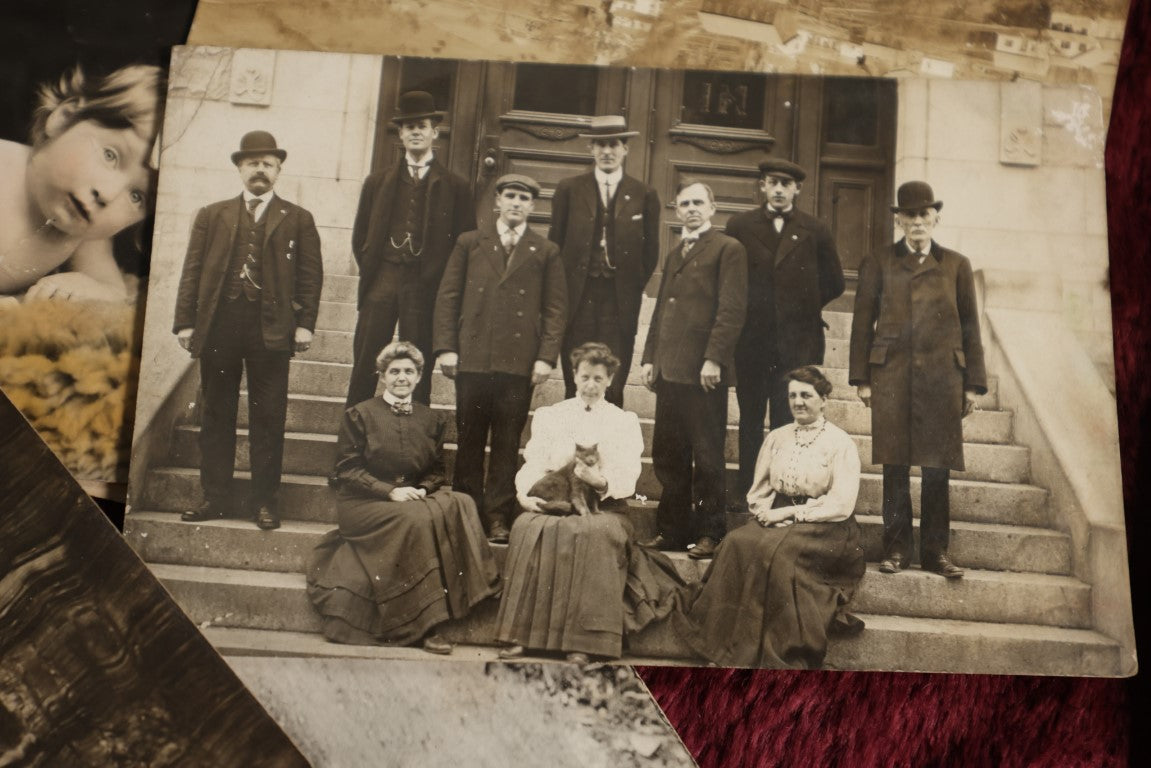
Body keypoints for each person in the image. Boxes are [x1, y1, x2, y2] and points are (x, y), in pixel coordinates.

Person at [495, 342, 682, 664]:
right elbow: (534, 462)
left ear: (610, 379)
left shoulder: (622, 420)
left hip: (605, 506)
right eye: (585, 377)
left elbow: (628, 472)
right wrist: (526, 495)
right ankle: (520, 635)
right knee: (530, 526)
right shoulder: (552, 415)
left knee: (593, 533)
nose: (591, 385)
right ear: (574, 376)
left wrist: (601, 482)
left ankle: (583, 640)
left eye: (598, 378)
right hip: (554, 497)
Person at [307, 341, 500, 654]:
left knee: (461, 502)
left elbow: (437, 471)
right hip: (364, 503)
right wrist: (389, 492)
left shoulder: (431, 419)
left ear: (419, 377)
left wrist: (423, 489)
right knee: (419, 520)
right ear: (383, 376)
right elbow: (347, 470)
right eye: (394, 371)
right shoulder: (360, 414)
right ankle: (425, 624)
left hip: (410, 496)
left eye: (409, 371)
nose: (401, 377)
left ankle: (481, 587)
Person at [173, 130, 324, 531]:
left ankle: (265, 502)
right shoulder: (212, 214)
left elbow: (310, 277)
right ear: (240, 168)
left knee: (268, 417)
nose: (260, 170)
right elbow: (192, 271)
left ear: (278, 171)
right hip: (220, 326)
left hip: (271, 332)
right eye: (253, 163)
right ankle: (215, 497)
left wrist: (305, 324)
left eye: (268, 164)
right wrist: (185, 321)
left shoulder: (298, 218)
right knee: (216, 413)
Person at [670, 366, 866, 669]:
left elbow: (841, 504)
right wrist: (762, 511)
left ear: (824, 399)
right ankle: (721, 644)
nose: (798, 402)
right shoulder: (777, 437)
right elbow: (759, 489)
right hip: (779, 515)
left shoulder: (840, 443)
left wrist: (791, 513)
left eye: (806, 395)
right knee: (737, 542)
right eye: (793, 396)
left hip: (827, 526)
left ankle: (768, 651)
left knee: (777, 554)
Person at [848, 181, 987, 579]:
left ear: (936, 218)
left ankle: (935, 552)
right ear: (898, 220)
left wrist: (973, 383)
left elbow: (971, 327)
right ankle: (895, 550)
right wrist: (863, 377)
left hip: (944, 376)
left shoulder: (956, 264)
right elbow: (861, 323)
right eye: (908, 215)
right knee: (894, 465)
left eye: (924, 214)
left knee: (936, 467)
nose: (917, 222)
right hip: (891, 372)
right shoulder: (878, 261)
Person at [432, 173, 567, 543]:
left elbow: (556, 310)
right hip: (473, 359)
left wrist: (546, 357)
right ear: (497, 201)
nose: (516, 203)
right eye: (510, 196)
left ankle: (497, 517)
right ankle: (464, 511)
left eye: (524, 198)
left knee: (507, 442)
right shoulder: (470, 243)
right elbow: (448, 297)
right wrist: (446, 346)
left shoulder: (545, 250)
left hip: (518, 364)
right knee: (470, 438)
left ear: (532, 206)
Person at [726, 158, 844, 506]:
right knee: (750, 417)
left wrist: (801, 306)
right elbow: (730, 278)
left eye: (785, 184)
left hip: (796, 343)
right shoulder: (740, 225)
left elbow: (834, 281)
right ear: (762, 186)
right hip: (751, 340)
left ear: (797, 189)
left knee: (786, 417)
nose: (778, 189)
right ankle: (748, 487)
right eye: (772, 182)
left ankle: (780, 490)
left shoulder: (815, 229)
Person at [345, 90, 475, 408]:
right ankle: (353, 439)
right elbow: (361, 236)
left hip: (425, 283)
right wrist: (376, 270)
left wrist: (441, 282)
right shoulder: (377, 181)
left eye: (422, 126)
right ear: (400, 134)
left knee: (419, 364)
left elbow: (465, 243)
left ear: (435, 132)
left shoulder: (456, 186)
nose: (416, 132)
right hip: (383, 278)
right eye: (409, 127)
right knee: (366, 360)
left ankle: (414, 442)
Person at [639, 180, 747, 561]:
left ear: (713, 207)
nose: (691, 209)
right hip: (669, 370)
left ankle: (710, 532)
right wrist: (650, 357)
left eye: (698, 202)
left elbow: (731, 310)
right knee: (668, 453)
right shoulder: (674, 254)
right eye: (684, 204)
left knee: (707, 455)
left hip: (703, 372)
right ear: (677, 210)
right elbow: (661, 311)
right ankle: (671, 530)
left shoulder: (727, 249)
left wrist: (715, 358)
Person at [0, 65, 162, 302]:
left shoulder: (81, 235)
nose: (108, 194)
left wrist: (86, 289)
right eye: (110, 155)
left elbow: (113, 293)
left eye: (137, 197)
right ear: (63, 119)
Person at [548, 115, 660, 407]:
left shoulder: (643, 194)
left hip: (619, 300)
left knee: (613, 380)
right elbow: (555, 245)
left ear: (625, 149)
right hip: (577, 298)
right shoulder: (569, 189)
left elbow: (650, 253)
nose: (607, 151)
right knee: (577, 378)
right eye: (600, 145)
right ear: (591, 149)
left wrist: (630, 285)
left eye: (614, 144)